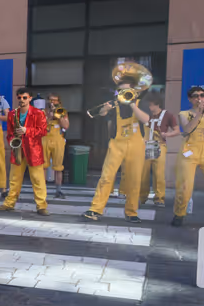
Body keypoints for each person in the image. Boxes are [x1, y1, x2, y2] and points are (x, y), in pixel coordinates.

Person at [83, 73, 151, 223]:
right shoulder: (115, 104)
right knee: (106, 177)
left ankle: (131, 212)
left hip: (136, 145)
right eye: (120, 91)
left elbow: (146, 119)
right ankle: (95, 209)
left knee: (134, 180)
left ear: (134, 91)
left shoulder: (141, 103)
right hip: (116, 144)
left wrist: (132, 103)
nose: (123, 93)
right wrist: (106, 108)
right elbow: (101, 114)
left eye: (126, 90)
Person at [0, 88, 50, 215]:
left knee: (38, 179)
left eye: (24, 97)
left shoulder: (38, 113)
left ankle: (41, 206)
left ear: (30, 98)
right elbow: (10, 133)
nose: (22, 100)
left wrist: (27, 130)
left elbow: (43, 131)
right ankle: (9, 204)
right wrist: (12, 141)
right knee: (14, 179)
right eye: (19, 97)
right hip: (18, 149)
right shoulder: (12, 114)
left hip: (33, 150)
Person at [172, 86, 204, 227]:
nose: (199, 98)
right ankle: (179, 213)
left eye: (202, 95)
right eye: (195, 96)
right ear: (190, 99)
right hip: (189, 152)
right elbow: (187, 129)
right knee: (185, 187)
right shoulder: (184, 114)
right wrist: (199, 113)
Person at [139, 93, 180, 207]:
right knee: (143, 173)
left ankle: (159, 198)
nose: (149, 107)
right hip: (146, 145)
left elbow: (177, 131)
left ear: (157, 104)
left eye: (151, 105)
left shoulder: (168, 115)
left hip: (159, 145)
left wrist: (166, 134)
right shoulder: (147, 115)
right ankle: (142, 197)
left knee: (159, 173)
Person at [42, 93, 70, 199]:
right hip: (45, 139)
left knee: (58, 167)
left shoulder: (62, 112)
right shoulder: (42, 112)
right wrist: (49, 116)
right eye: (51, 100)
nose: (53, 102)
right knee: (43, 166)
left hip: (58, 140)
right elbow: (40, 126)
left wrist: (58, 116)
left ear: (59, 102)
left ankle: (58, 191)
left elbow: (66, 126)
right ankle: (42, 190)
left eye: (55, 100)